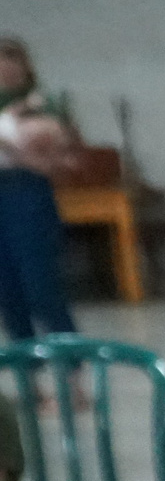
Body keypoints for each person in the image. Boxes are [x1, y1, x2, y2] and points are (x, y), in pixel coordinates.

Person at [0, 35, 80, 341]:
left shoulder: (43, 104)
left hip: (27, 192)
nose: (6, 71)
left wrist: (16, 150)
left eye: (12, 64)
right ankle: (26, 365)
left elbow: (60, 157)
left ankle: (70, 362)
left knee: (40, 284)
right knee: (8, 288)